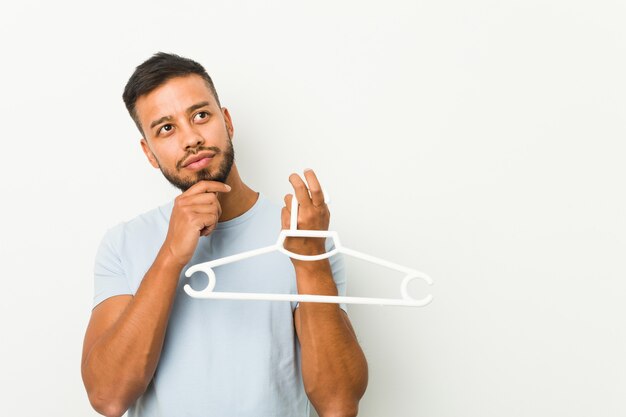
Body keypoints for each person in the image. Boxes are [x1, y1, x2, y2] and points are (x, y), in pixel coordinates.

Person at [80, 52, 368, 417]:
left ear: (227, 121)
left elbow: (339, 403)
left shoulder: (303, 236)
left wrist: (310, 263)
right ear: (149, 153)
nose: (191, 139)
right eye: (166, 128)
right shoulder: (122, 244)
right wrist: (171, 256)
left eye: (201, 115)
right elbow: (107, 397)